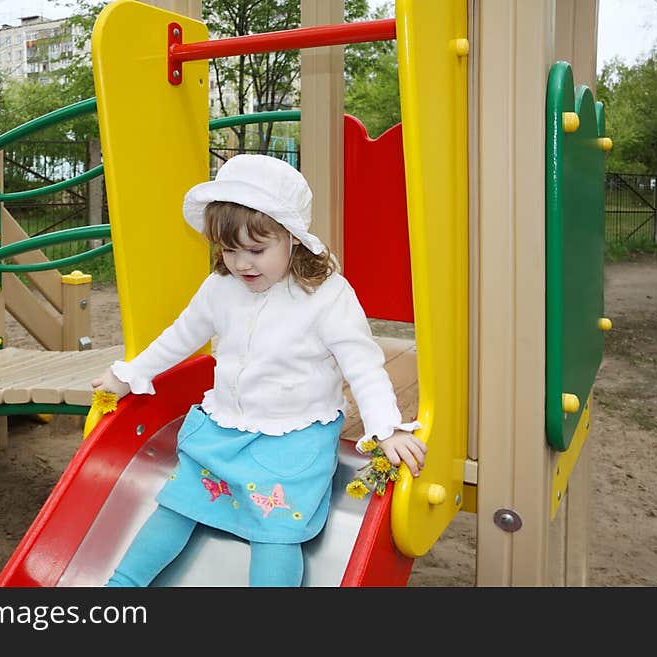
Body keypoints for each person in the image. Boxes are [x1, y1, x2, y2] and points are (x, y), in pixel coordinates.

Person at [91, 154, 427, 587]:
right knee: (176, 506)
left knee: (277, 535)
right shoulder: (221, 288)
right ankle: (122, 586)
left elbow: (362, 363)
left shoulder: (326, 295)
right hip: (225, 430)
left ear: (291, 238)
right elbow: (181, 334)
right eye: (229, 250)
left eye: (256, 250)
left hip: (293, 438)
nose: (242, 263)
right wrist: (130, 373)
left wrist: (387, 428)